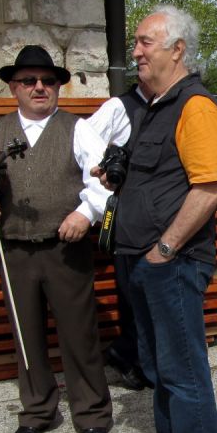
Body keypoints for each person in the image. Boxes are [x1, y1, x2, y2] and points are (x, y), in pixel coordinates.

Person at [0, 45, 113, 433]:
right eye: (29, 81)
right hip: (14, 248)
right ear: (13, 88)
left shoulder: (78, 129)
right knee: (26, 332)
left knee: (78, 333)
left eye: (48, 81)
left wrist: (85, 213)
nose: (39, 88)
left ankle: (91, 414)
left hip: (65, 249)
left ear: (57, 88)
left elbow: (106, 180)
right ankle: (37, 412)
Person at [95, 5, 217, 433]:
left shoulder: (195, 107)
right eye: (135, 42)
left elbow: (210, 187)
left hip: (171, 262)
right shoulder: (151, 106)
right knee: (156, 365)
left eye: (146, 42)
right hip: (140, 259)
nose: (136, 51)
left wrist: (165, 248)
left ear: (178, 49)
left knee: (183, 368)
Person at [86, 82, 152, 391]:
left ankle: (139, 357)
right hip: (126, 216)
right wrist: (96, 204)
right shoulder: (118, 108)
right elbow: (84, 153)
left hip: (159, 215)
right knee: (132, 292)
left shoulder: (172, 106)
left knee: (152, 293)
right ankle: (128, 356)